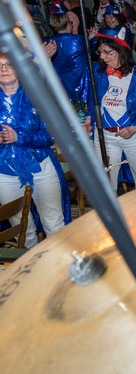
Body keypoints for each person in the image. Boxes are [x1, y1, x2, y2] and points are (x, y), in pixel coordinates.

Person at [0, 53, 70, 247]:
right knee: (21, 227)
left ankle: (59, 261)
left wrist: (20, 137)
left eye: (8, 64)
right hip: (5, 172)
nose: (3, 69)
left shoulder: (37, 97)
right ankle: (31, 259)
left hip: (40, 166)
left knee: (54, 223)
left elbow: (50, 136)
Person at [86, 28, 136, 186]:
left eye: (107, 52)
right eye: (100, 52)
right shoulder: (98, 73)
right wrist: (89, 121)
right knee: (106, 183)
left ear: (121, 51)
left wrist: (134, 128)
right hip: (105, 136)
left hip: (134, 136)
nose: (102, 57)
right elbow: (92, 100)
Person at [46, 0, 90, 105]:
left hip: (60, 81)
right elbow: (91, 53)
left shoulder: (48, 41)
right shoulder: (78, 39)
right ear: (68, 25)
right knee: (81, 105)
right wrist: (92, 39)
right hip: (79, 78)